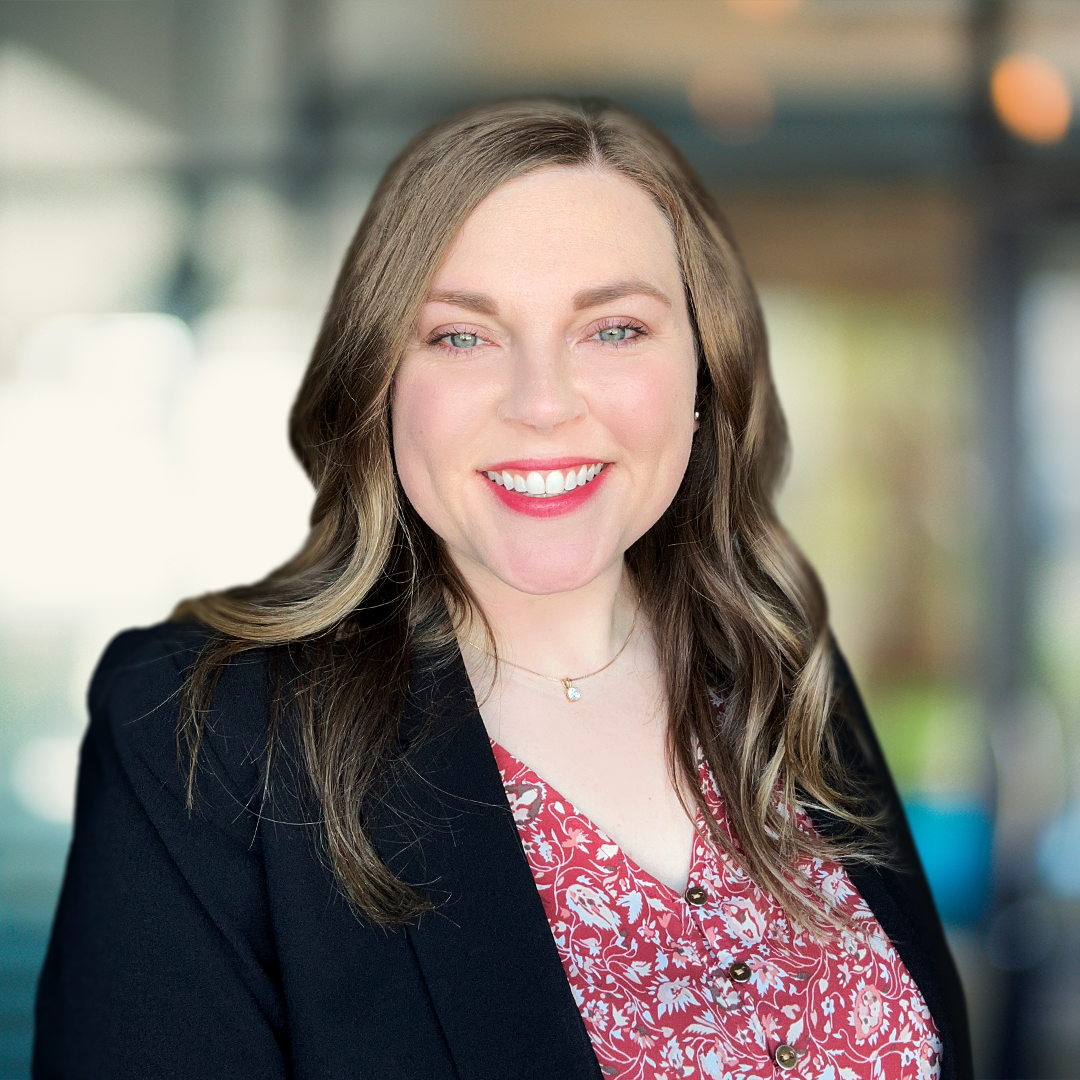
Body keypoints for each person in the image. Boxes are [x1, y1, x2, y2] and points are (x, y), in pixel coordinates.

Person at [34, 97, 972, 1080]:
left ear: (705, 372)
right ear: (379, 383)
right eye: (461, 337)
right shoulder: (202, 730)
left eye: (612, 330)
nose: (541, 403)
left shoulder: (779, 668)